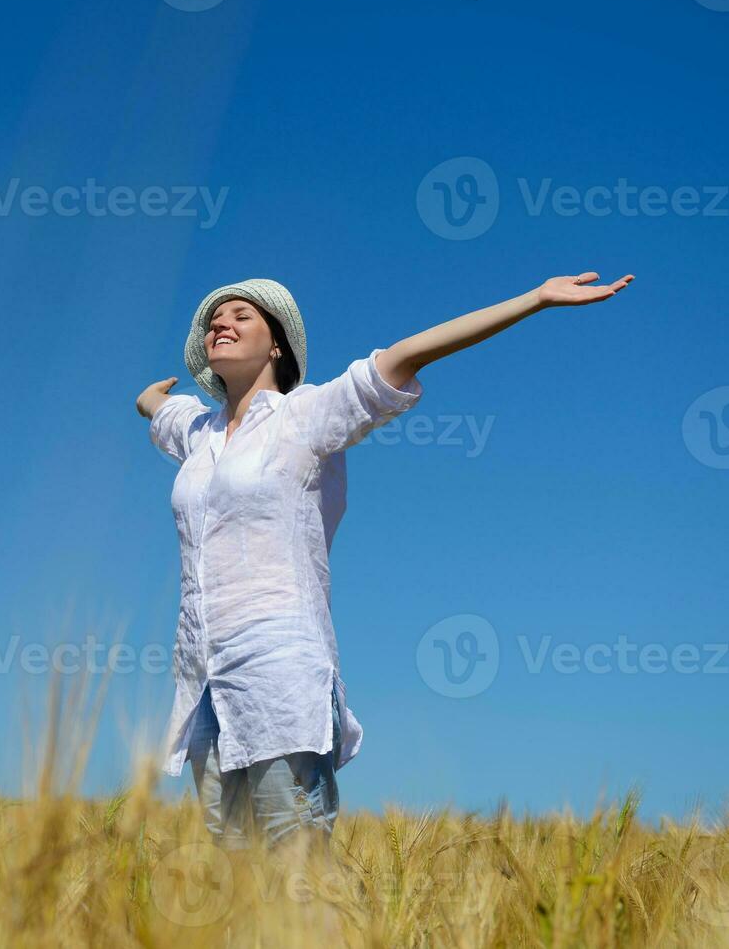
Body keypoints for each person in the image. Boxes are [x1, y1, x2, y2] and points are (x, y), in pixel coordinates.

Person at [135, 272, 635, 851]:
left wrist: (536, 300)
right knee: (236, 869)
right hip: (202, 677)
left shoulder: (307, 415)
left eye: (241, 316)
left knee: (292, 858)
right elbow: (155, 408)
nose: (221, 323)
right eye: (214, 321)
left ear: (277, 346)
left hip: (277, 670)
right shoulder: (199, 433)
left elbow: (407, 355)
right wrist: (151, 396)